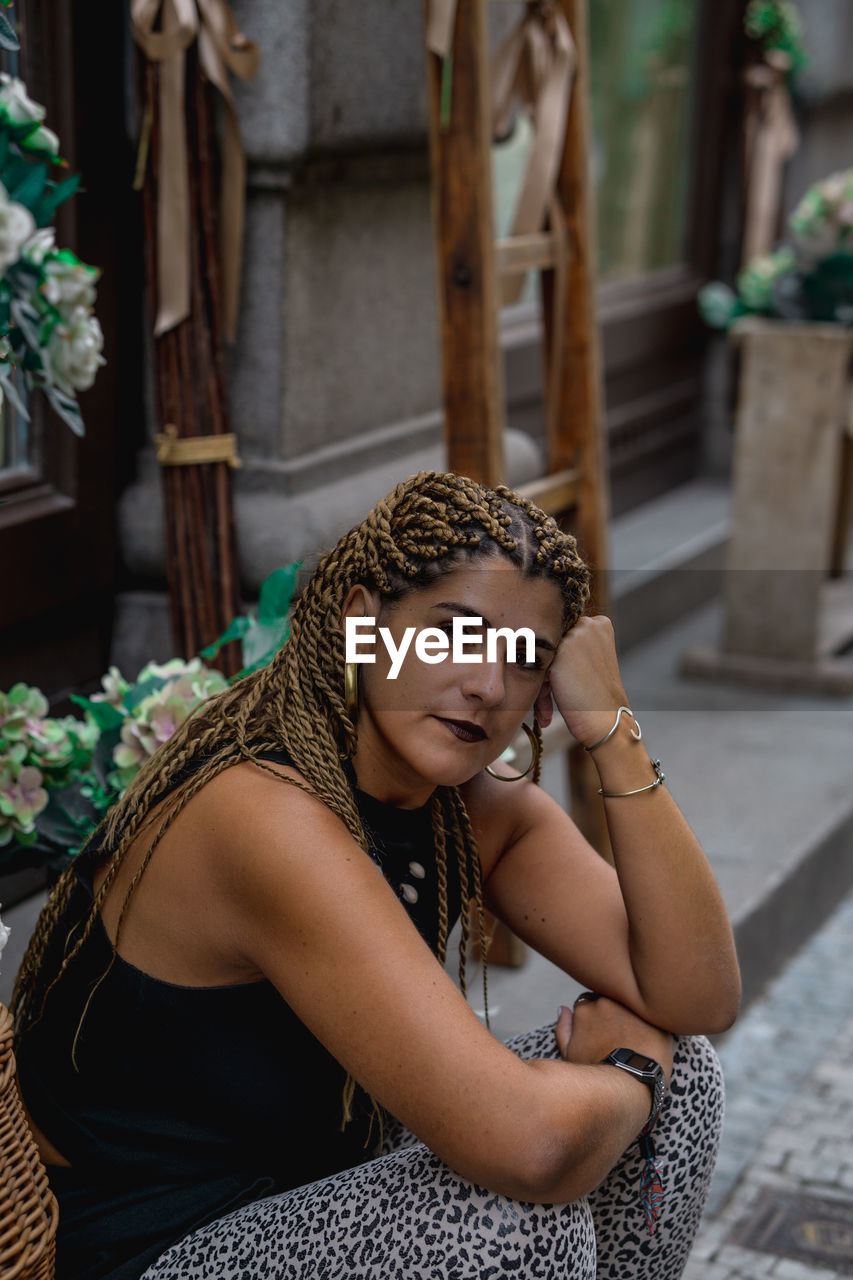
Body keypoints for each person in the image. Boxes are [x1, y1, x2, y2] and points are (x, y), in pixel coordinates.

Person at [12, 471, 741, 1280]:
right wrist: (628, 1073)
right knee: (509, 1224)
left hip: (316, 1186)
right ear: (363, 623)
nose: (486, 685)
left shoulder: (468, 803)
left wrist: (610, 727)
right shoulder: (264, 815)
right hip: (149, 1247)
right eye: (454, 635)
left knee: (689, 1083)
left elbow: (697, 994)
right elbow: (528, 1146)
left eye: (524, 660)